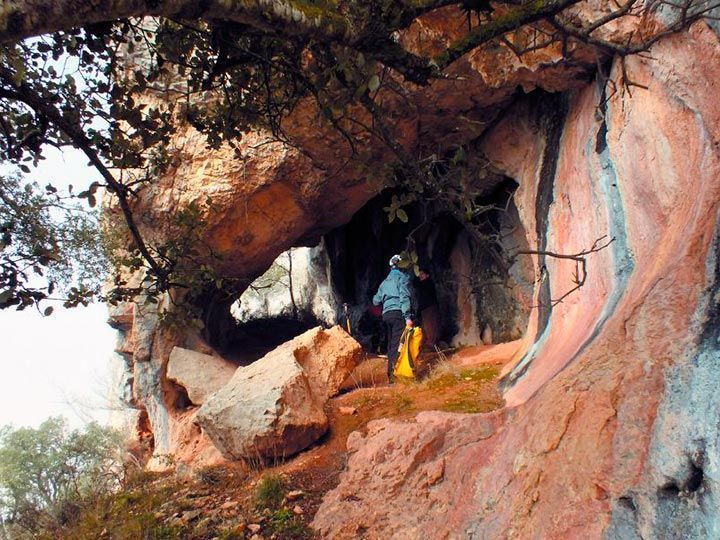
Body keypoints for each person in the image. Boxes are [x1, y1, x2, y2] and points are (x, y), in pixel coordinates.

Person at [372, 254, 414, 383]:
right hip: (397, 314)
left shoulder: (384, 282)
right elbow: (404, 297)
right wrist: (407, 317)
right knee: (397, 344)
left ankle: (390, 373)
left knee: (391, 344)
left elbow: (375, 301)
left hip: (386, 315)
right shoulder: (402, 278)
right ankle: (395, 375)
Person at [415, 268, 440, 350]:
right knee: (426, 328)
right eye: (420, 274)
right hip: (425, 309)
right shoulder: (423, 284)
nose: (420, 276)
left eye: (422, 274)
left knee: (430, 327)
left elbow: (416, 284)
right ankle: (428, 345)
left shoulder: (427, 283)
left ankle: (430, 345)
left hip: (429, 308)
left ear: (427, 275)